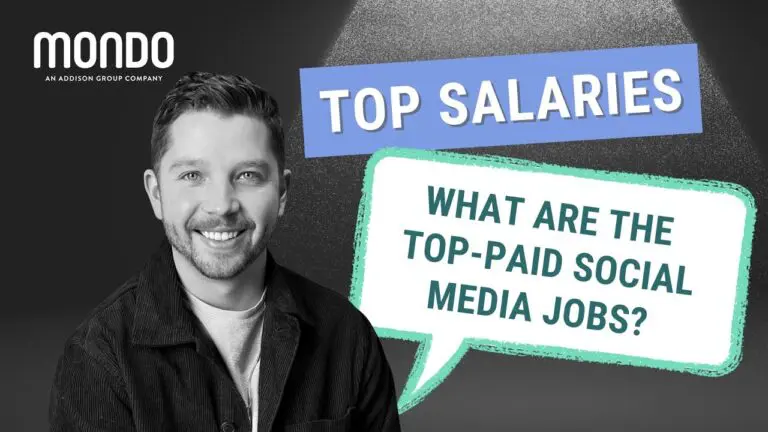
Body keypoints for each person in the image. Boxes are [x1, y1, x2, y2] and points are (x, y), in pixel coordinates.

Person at [49, 71, 402, 432]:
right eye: (192, 175)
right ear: (156, 194)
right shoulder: (98, 359)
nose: (221, 206)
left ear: (282, 193)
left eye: (247, 175)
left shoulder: (346, 337)